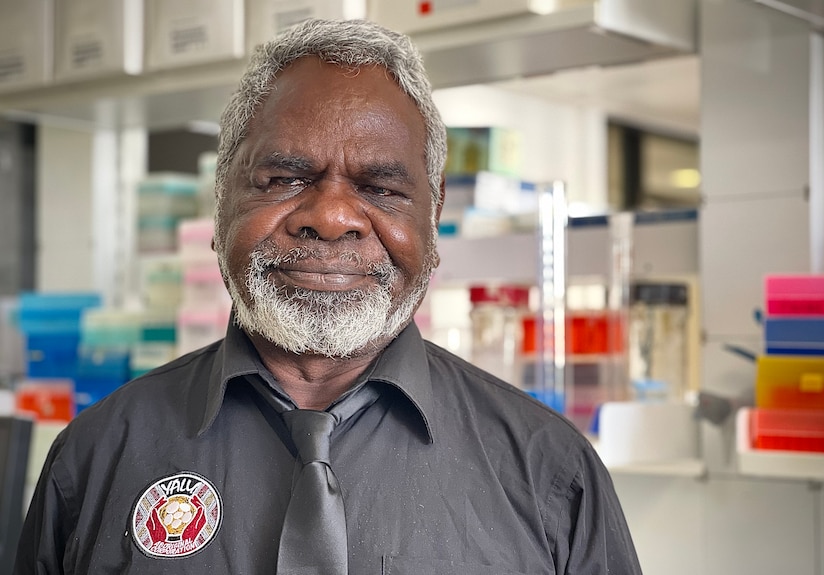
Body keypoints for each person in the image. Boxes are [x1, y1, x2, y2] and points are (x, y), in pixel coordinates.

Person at [15, 18, 642, 575]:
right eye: (284, 179)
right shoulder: (95, 456)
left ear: (435, 213)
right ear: (221, 199)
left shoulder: (551, 473)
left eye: (382, 188)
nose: (334, 216)